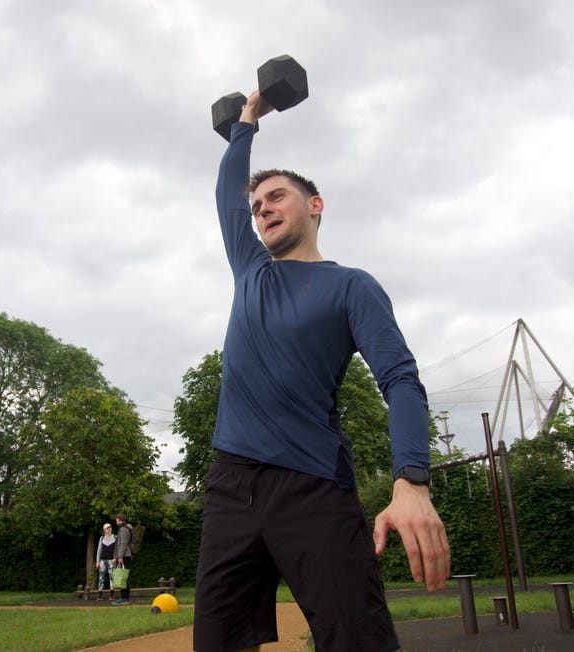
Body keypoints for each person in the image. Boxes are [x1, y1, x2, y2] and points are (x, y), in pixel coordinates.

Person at [192, 91, 452, 652]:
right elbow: (226, 193)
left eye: (276, 196)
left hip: (312, 485)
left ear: (315, 206)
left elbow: (401, 381)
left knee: (358, 640)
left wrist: (411, 480)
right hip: (231, 487)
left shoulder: (352, 286)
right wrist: (246, 124)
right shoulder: (251, 271)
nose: (261, 209)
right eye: (256, 204)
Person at [111, 513, 133, 606]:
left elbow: (123, 543)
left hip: (124, 555)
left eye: (116, 520)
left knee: (123, 577)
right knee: (124, 577)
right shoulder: (126, 528)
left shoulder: (123, 529)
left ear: (119, 520)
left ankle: (124, 598)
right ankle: (125, 597)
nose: (116, 522)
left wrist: (120, 556)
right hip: (125, 555)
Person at [94, 522, 116, 601]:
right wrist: (97, 561)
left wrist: (115, 558)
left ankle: (112, 595)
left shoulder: (115, 537)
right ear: (104, 530)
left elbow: (117, 549)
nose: (109, 529)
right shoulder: (102, 538)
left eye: (110, 527)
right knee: (101, 577)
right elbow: (99, 550)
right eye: (107, 528)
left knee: (112, 577)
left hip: (111, 560)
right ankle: (99, 595)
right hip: (102, 560)